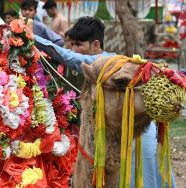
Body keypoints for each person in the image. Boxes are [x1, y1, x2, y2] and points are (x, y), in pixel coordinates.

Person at [35, 16, 176, 188]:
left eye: (78, 44)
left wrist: (33, 37)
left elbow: (67, 57)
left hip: (135, 133)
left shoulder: (109, 64)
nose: (74, 49)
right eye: (71, 44)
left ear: (96, 45)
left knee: (138, 178)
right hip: (117, 134)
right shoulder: (98, 69)